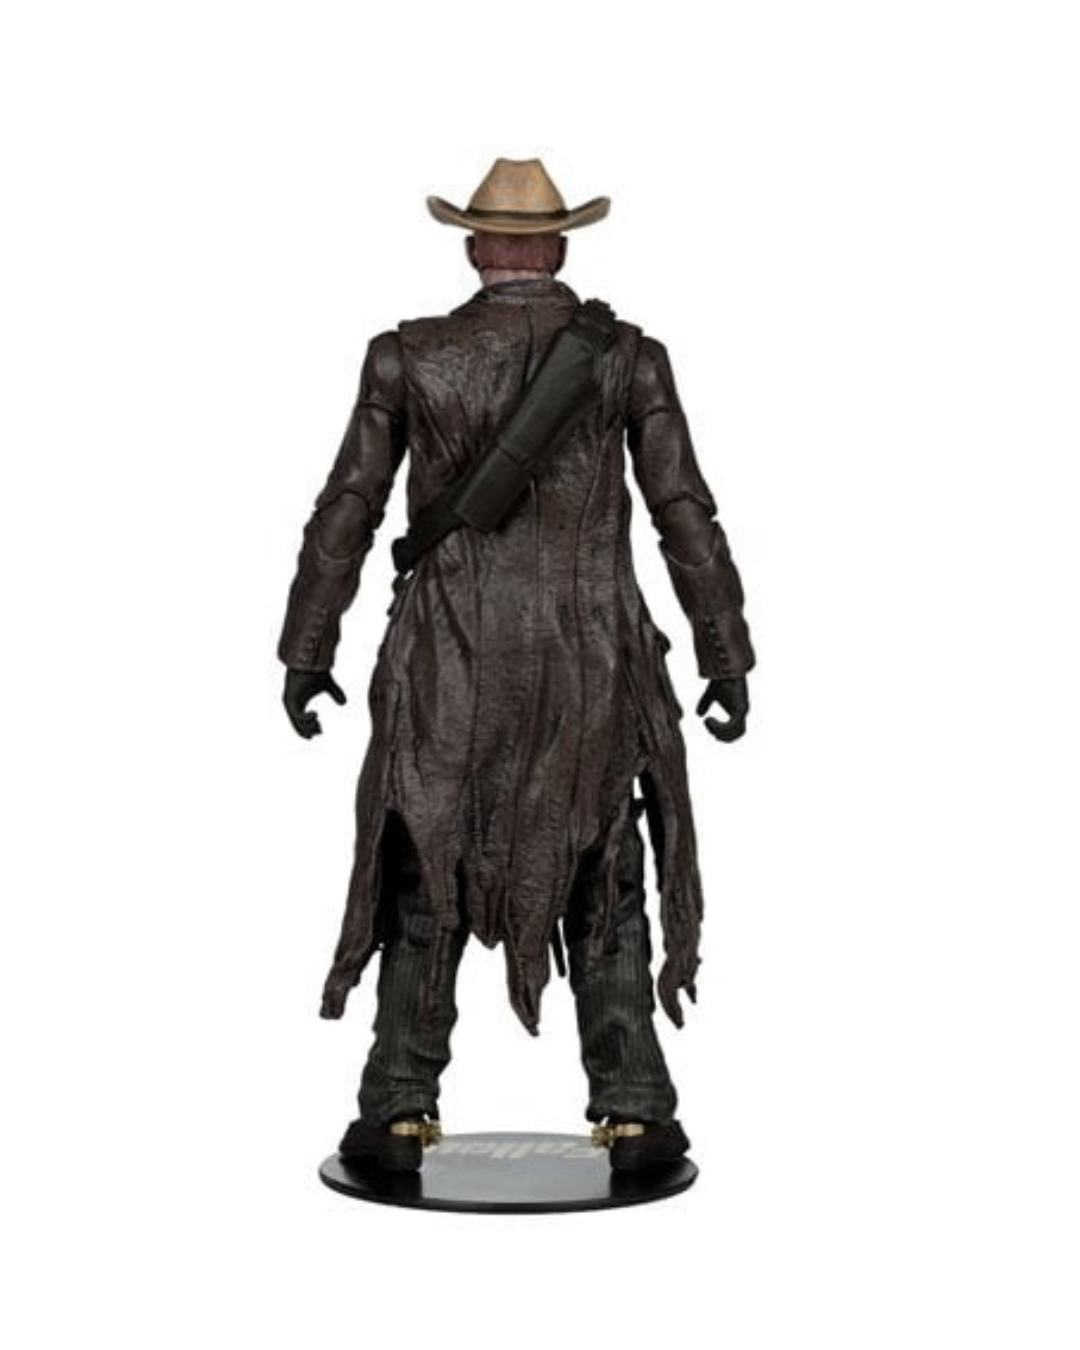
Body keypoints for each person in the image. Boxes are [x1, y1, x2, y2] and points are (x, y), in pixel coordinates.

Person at [278, 158, 755, 1173]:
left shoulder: (406, 357)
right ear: (560, 250)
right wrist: (725, 654)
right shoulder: (629, 359)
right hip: (592, 660)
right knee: (604, 870)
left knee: (427, 864)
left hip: (445, 659)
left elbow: (347, 512)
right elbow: (684, 515)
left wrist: (307, 649)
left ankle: (397, 1110)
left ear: (473, 250)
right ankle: (636, 1111)